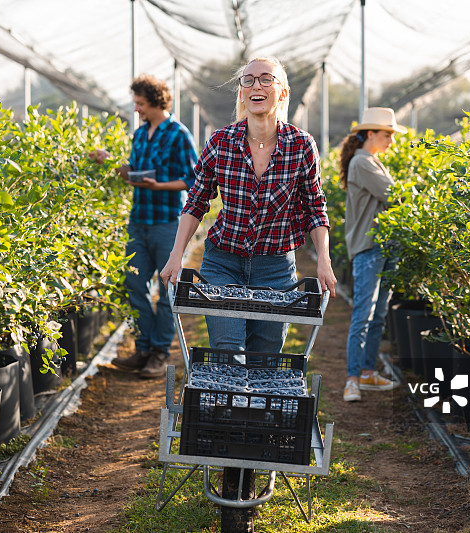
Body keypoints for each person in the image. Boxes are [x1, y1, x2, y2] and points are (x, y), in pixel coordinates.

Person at [159, 56, 336, 354]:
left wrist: (324, 260)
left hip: (275, 269)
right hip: (223, 262)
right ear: (242, 91)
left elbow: (315, 208)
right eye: (249, 80)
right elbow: (197, 202)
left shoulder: (301, 145)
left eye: (267, 79)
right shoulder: (220, 142)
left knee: (264, 358)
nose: (257, 85)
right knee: (228, 351)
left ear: (282, 92)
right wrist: (177, 255)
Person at [94, 74, 198, 378]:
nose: (137, 109)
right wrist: (111, 162)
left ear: (155, 101)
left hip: (167, 222)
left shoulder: (179, 134)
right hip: (138, 221)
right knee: (134, 285)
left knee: (168, 287)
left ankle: (159, 351)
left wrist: (160, 186)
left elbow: (193, 180)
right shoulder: (140, 135)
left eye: (140, 103)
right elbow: (133, 173)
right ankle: (142, 348)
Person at [340, 107, 405, 402]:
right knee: (364, 314)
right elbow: (396, 196)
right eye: (386, 134)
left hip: (384, 245)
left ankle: (367, 373)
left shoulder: (373, 161)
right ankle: (352, 379)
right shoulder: (363, 162)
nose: (391, 139)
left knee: (378, 314)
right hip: (369, 246)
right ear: (369, 134)